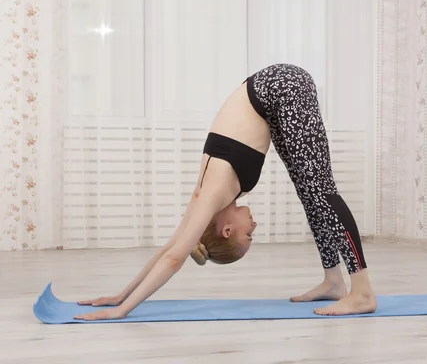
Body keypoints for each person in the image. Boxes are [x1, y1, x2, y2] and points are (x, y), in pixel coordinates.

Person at [74, 64, 377, 320]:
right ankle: (334, 281)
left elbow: (174, 259)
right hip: (270, 98)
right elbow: (167, 249)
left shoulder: (212, 196)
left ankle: (362, 292)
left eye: (248, 236)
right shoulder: (203, 199)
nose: (254, 228)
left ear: (228, 230)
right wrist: (120, 295)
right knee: (310, 193)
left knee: (322, 193)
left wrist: (123, 309)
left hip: (282, 87)